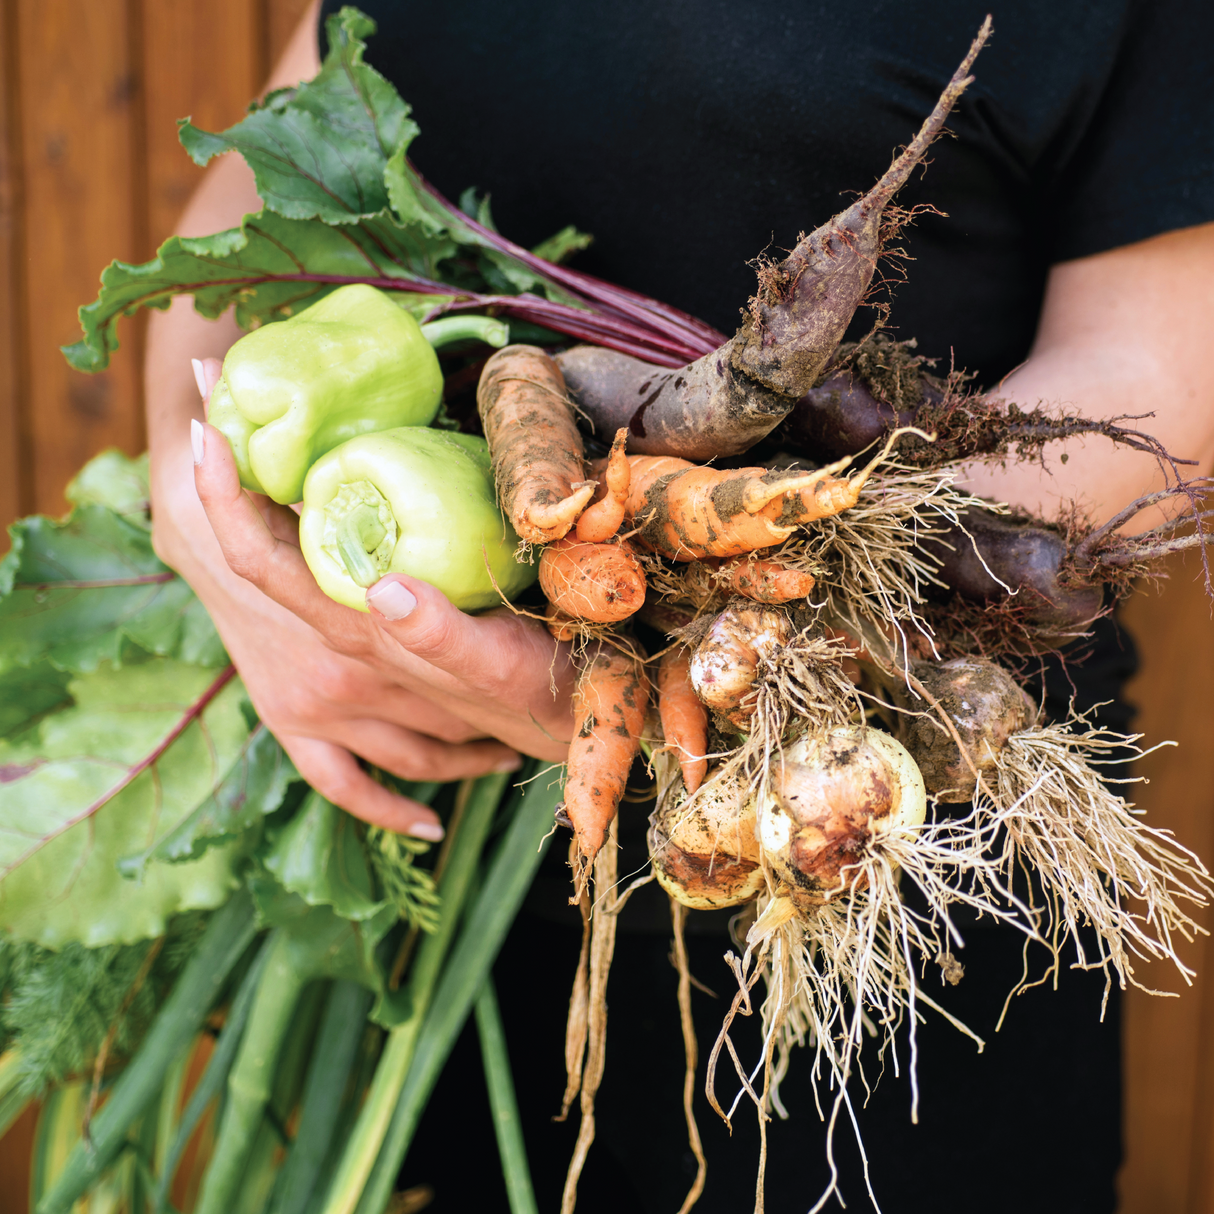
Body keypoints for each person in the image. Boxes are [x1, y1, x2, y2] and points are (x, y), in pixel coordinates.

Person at [145, 2, 1214, 1209]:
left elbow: (1161, 371)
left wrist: (762, 592)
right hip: (411, 846)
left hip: (878, 836)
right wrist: (213, 531)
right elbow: (262, 194)